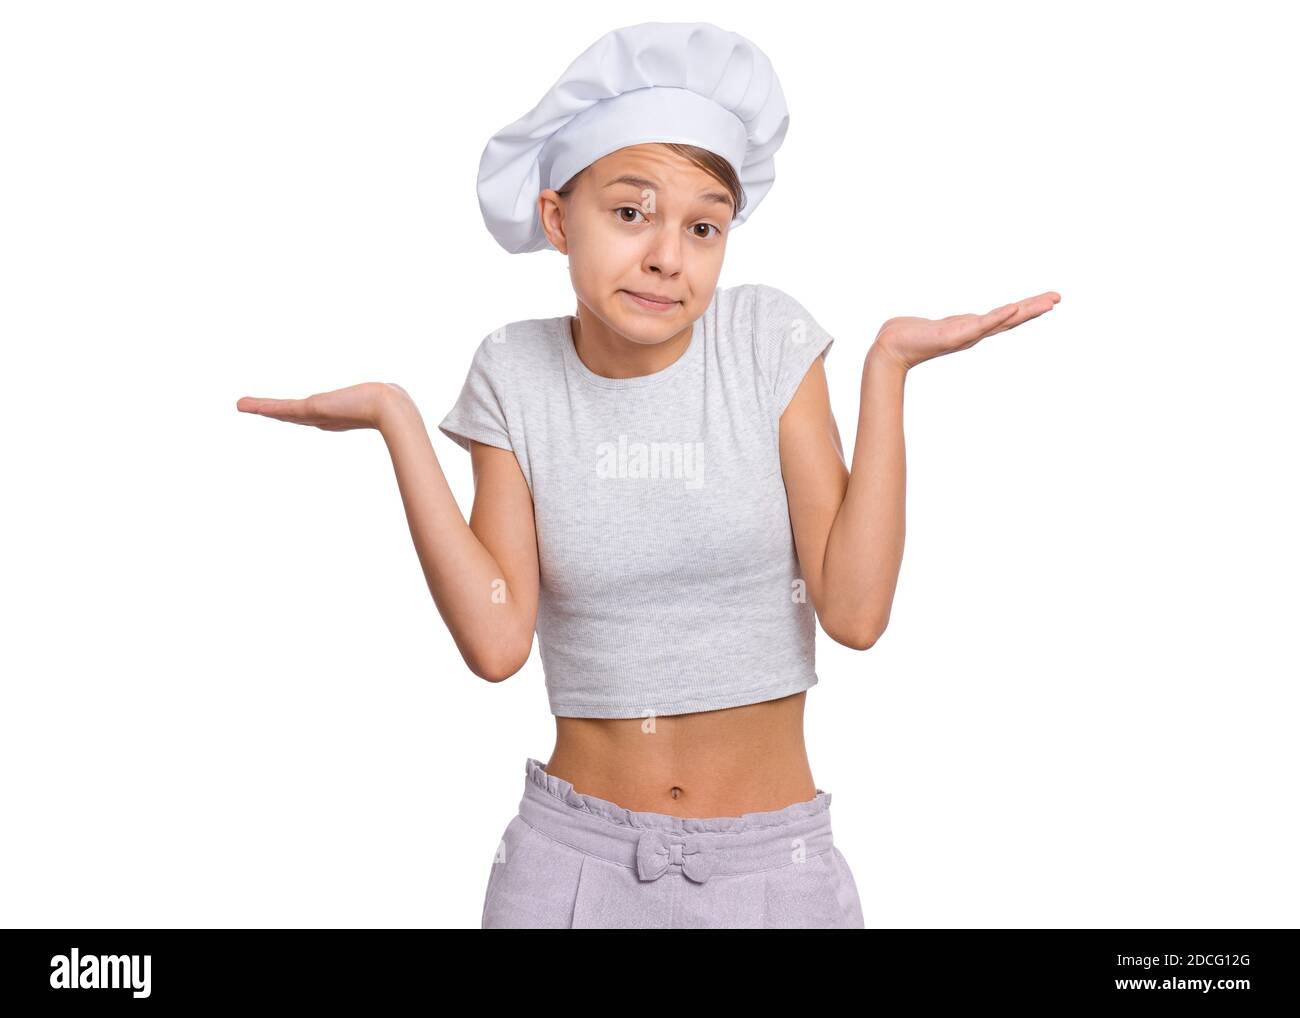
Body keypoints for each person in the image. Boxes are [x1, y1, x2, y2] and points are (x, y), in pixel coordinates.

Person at [235, 21, 1059, 928]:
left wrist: (888, 370)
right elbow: (498, 645)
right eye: (631, 212)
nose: (668, 254)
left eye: (703, 226)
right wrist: (399, 421)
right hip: (570, 866)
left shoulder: (764, 339)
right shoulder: (514, 371)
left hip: (771, 870)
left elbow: (856, 615)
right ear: (557, 218)